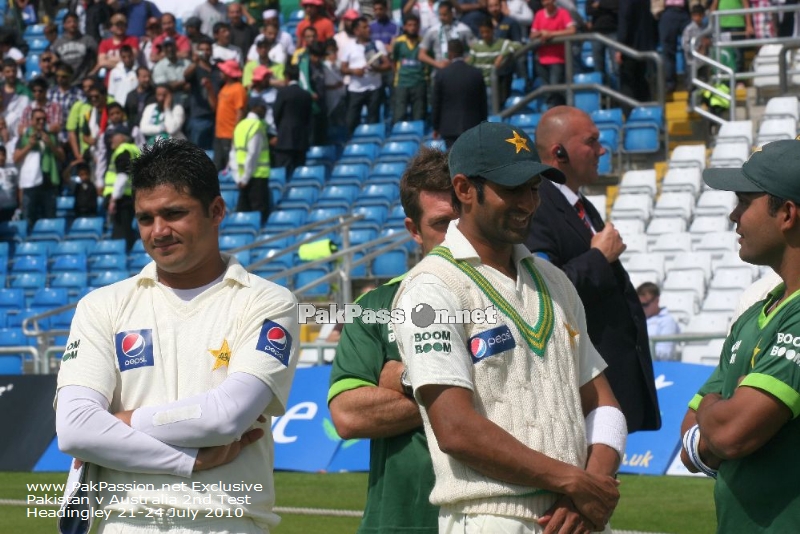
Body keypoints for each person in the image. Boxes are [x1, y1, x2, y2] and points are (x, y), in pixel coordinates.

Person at [55, 137, 300, 534]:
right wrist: (187, 460)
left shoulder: (268, 301)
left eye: (174, 213)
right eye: (145, 218)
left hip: (227, 522)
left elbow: (225, 418)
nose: (159, 231)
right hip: (125, 523)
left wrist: (117, 422)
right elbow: (74, 428)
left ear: (216, 210)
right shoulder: (101, 305)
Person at [392, 121, 624, 532]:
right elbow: (456, 429)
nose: (528, 203)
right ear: (464, 189)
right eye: (512, 189)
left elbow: (604, 404)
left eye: (533, 188)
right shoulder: (429, 288)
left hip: (577, 518)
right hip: (491, 518)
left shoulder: (555, 282)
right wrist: (572, 480)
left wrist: (589, 489)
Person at [329, 146, 456, 534]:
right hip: (399, 523)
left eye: (464, 221)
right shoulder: (374, 306)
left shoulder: (520, 298)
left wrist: (405, 380)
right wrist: (471, 390)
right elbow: (349, 416)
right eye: (441, 224)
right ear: (413, 230)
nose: (457, 236)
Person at [679, 139, 800, 533]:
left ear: (786, 213)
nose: (734, 215)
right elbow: (688, 435)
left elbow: (731, 434)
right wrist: (720, 416)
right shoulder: (755, 314)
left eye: (745, 201)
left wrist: (715, 413)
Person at [526, 106, 661, 433]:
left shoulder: (581, 206)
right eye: (592, 141)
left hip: (601, 380)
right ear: (559, 152)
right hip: (577, 386)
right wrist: (599, 257)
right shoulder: (536, 204)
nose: (602, 150)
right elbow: (541, 292)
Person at [13, 108, 64, 231]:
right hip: (30, 185)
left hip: (48, 183)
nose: (41, 122)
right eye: (37, 119)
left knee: (50, 218)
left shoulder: (51, 136)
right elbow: (16, 158)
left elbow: (62, 157)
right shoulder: (24, 137)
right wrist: (29, 145)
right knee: (29, 219)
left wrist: (50, 144)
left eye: (43, 119)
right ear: (31, 121)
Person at [431, 39, 487, 148]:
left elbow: (436, 103)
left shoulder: (442, 74)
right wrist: (483, 125)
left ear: (449, 53)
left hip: (449, 127)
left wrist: (436, 127)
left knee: (453, 161)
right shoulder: (476, 73)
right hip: (473, 126)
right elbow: (482, 103)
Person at [341, 16, 392, 136]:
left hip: (374, 89)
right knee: (351, 121)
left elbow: (387, 65)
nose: (368, 29)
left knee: (373, 120)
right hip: (356, 90)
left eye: (368, 26)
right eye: (364, 27)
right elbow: (343, 68)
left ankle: (371, 143)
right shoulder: (349, 47)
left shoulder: (377, 45)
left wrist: (376, 68)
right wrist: (354, 72)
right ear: (356, 31)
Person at [229, 98, 271, 223]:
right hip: (257, 177)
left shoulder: (240, 125)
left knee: (244, 214)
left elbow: (233, 154)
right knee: (258, 216)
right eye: (263, 107)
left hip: (242, 179)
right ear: (255, 108)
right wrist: (246, 178)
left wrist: (238, 177)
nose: (265, 110)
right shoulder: (257, 126)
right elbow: (253, 154)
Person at [529, 0, 576, 109]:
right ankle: (553, 111)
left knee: (555, 87)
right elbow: (532, 34)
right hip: (542, 58)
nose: (546, 2)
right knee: (547, 90)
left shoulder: (563, 12)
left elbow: (572, 30)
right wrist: (541, 33)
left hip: (558, 58)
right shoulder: (539, 14)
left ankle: (559, 109)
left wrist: (551, 34)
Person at [272, 65, 312, 177]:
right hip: (301, 139)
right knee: (299, 172)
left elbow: (276, 113)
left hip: (285, 138)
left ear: (287, 77)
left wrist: (280, 129)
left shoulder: (283, 93)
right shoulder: (306, 94)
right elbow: (308, 117)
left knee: (283, 172)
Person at [468, 17, 517, 105]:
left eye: (487, 32)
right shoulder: (476, 47)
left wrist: (502, 55)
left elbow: (518, 45)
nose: (485, 35)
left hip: (494, 86)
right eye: (482, 32)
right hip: (480, 86)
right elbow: (470, 64)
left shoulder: (500, 43)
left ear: (492, 30)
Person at [418, 1, 474, 74]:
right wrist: (437, 64)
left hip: (459, 72)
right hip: (439, 72)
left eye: (445, 15)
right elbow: (421, 55)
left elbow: (476, 50)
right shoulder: (432, 31)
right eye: (440, 15)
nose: (442, 18)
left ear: (452, 13)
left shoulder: (463, 29)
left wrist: (463, 62)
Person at [391, 14, 427, 124]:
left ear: (418, 27)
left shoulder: (423, 42)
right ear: (405, 27)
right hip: (402, 83)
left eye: (415, 25)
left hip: (419, 82)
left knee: (419, 116)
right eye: (409, 25)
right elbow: (393, 61)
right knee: (399, 115)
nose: (412, 28)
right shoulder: (399, 42)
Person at [213, 59, 248, 171]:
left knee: (228, 166)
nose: (220, 73)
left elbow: (240, 112)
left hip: (229, 135)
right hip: (220, 134)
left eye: (223, 71)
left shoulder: (238, 89)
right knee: (217, 166)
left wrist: (235, 133)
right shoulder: (224, 88)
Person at [637, 282, 681, 361]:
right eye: (638, 304)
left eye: (645, 305)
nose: (641, 308)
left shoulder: (667, 321)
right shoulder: (637, 319)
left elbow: (665, 353)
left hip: (657, 368)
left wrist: (637, 350)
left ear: (657, 300)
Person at [51, 13, 98, 85]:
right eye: (69, 22)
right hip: (65, 82)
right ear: (64, 25)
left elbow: (97, 58)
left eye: (75, 21)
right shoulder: (57, 43)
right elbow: (53, 63)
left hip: (84, 82)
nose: (72, 24)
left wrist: (92, 73)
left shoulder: (88, 40)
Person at [124, 67, 157, 134]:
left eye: (149, 76)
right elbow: (127, 113)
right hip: (133, 130)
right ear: (138, 77)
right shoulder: (131, 95)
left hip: (149, 130)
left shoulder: (155, 94)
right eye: (144, 77)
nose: (147, 79)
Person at [0, 145, 19, 222]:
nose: (1, 158)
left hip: (12, 207)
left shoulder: (13, 169)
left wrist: (20, 207)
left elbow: (18, 187)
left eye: (3, 155)